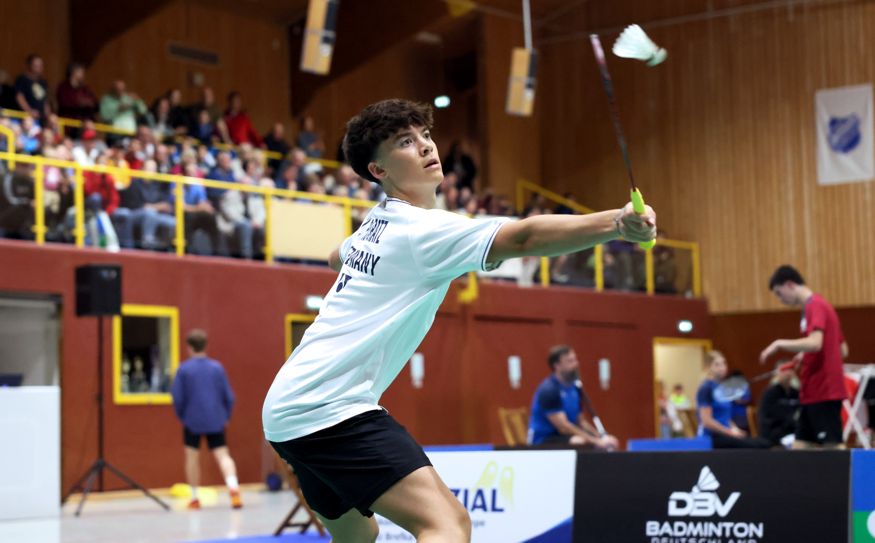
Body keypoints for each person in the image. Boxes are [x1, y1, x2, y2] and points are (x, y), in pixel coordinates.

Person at [262, 99, 656, 542]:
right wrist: (617, 223)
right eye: (405, 143)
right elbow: (523, 236)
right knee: (447, 524)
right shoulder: (419, 231)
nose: (426, 146)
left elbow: (338, 254)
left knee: (359, 537)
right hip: (329, 407)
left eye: (425, 136)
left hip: (285, 411)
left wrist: (355, 261)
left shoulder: (377, 224)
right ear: (378, 170)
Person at [759, 265, 849, 449]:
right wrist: (804, 353)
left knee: (834, 449)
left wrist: (779, 344)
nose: (780, 299)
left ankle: (851, 479)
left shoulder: (814, 305)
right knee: (800, 449)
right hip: (812, 392)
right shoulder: (821, 306)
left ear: (790, 284)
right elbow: (842, 349)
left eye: (779, 293)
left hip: (823, 391)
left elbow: (816, 343)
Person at [171, 329, 242, 510]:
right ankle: (234, 489)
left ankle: (195, 498)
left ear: (188, 347)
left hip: (191, 421)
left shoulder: (184, 369)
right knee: (223, 456)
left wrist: (183, 417)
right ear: (206, 345)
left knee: (192, 457)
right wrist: (225, 416)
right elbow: (229, 396)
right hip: (215, 419)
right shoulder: (217, 368)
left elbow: (177, 398)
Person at [528, 345, 620, 449]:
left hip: (565, 437)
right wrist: (596, 441)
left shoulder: (575, 388)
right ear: (557, 365)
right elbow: (563, 427)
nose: (575, 364)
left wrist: (602, 437)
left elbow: (581, 422)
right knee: (580, 442)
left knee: (596, 443)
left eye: (575, 360)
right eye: (569, 361)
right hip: (544, 440)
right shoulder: (549, 390)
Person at [696, 350, 770, 449]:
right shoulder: (706, 388)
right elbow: (707, 421)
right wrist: (730, 432)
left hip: (726, 434)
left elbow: (726, 418)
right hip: (713, 437)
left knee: (764, 443)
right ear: (708, 367)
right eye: (717, 365)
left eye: (724, 363)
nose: (722, 368)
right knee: (759, 446)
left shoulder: (722, 388)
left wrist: (735, 429)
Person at [757, 361, 800, 447]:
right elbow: (767, 419)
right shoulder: (770, 394)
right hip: (774, 433)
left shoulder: (796, 393)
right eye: (784, 370)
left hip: (792, 432)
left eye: (790, 370)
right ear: (777, 373)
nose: (787, 373)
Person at [14, 54, 51, 122]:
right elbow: (19, 97)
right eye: (36, 65)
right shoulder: (22, 79)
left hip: (41, 118)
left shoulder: (42, 82)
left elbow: (45, 101)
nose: (39, 67)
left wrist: (48, 116)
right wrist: (29, 111)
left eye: (40, 65)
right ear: (29, 65)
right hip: (27, 118)